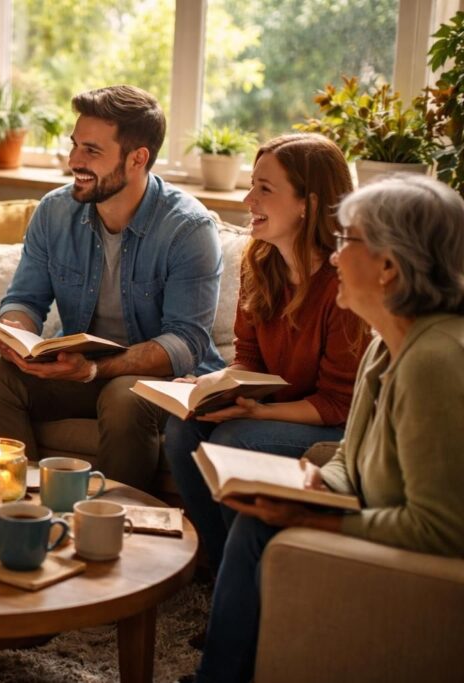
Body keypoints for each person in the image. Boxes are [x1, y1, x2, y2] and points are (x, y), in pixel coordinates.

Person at [195, 174, 464, 683]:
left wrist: (317, 521)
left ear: (389, 264)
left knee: (260, 524)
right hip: (375, 512)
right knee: (255, 516)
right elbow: (347, 456)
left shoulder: (436, 361)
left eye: (346, 241)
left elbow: (443, 529)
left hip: (428, 564)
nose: (334, 258)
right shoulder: (388, 341)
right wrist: (319, 487)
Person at [0, 85, 225, 488]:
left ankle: (112, 527)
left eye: (92, 151)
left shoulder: (189, 228)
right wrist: (16, 331)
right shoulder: (54, 212)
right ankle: (20, 511)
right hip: (75, 369)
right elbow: (25, 299)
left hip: (159, 380)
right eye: (74, 146)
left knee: (124, 398)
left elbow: (185, 343)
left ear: (138, 158)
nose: (74, 160)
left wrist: (94, 369)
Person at [163, 134, 368, 573]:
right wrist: (209, 388)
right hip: (278, 407)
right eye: (252, 184)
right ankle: (218, 566)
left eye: (265, 189)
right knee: (183, 428)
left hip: (336, 425)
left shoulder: (344, 283)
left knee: (235, 438)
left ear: (307, 204)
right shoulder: (260, 262)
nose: (248, 198)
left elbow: (338, 404)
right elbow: (249, 360)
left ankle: (252, 573)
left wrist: (254, 414)